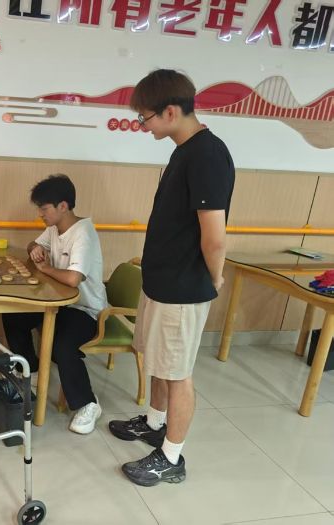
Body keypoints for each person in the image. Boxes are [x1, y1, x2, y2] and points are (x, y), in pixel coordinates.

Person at [108, 69, 235, 486]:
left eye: (144, 117)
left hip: (183, 288)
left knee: (178, 373)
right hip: (161, 282)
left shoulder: (208, 155)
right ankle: (154, 422)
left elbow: (214, 237)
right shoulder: (184, 150)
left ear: (170, 111)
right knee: (160, 362)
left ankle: (171, 457)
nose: (142, 125)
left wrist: (214, 279)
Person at [2, 174, 109, 434]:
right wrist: (33, 249)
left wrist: (46, 268)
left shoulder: (83, 233)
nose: (40, 214)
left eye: (44, 208)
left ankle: (88, 404)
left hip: (86, 310)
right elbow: (34, 243)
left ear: (63, 206)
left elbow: (73, 279)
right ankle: (31, 370)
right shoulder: (54, 228)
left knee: (62, 345)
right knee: (13, 316)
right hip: (60, 305)